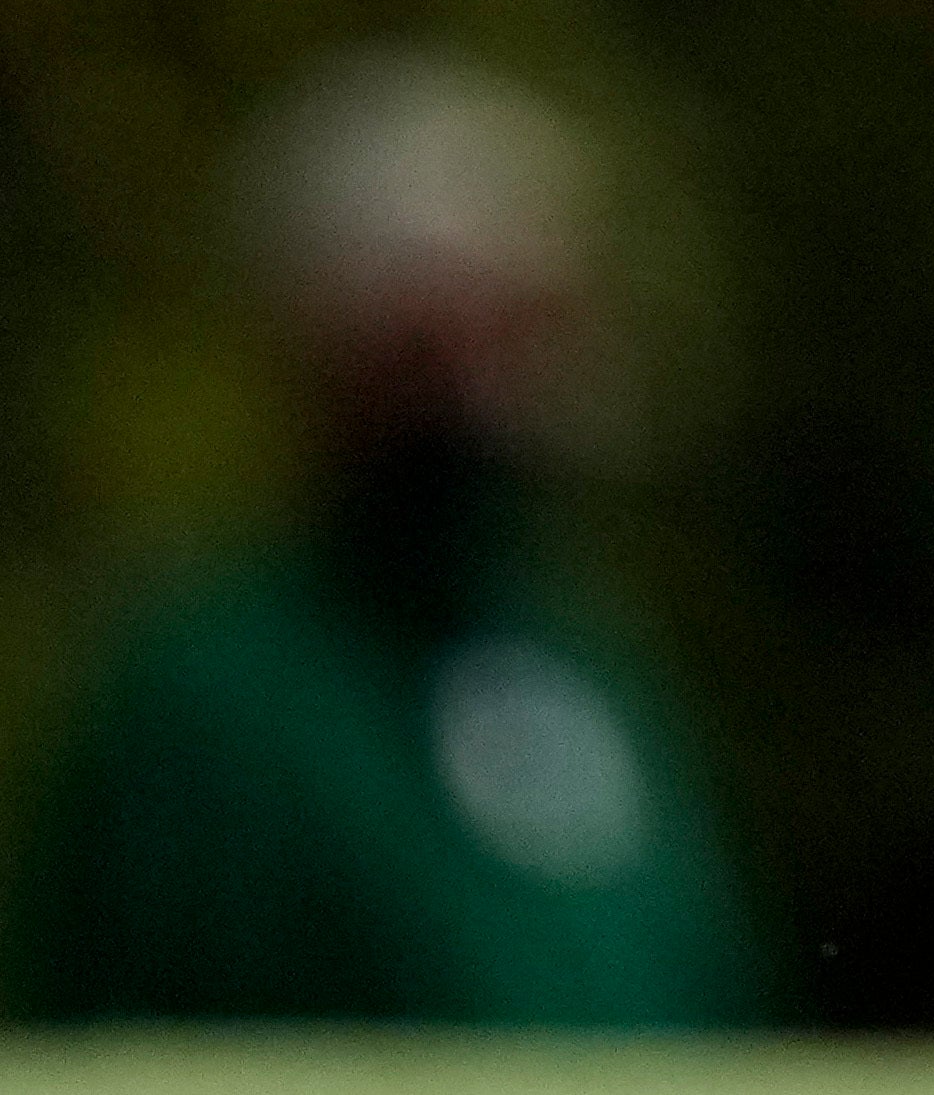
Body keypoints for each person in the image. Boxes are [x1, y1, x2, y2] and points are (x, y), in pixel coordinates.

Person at [7, 50, 759, 1026]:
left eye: (520, 315)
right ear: (316, 338)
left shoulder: (597, 670)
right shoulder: (204, 700)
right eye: (429, 332)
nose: (482, 383)